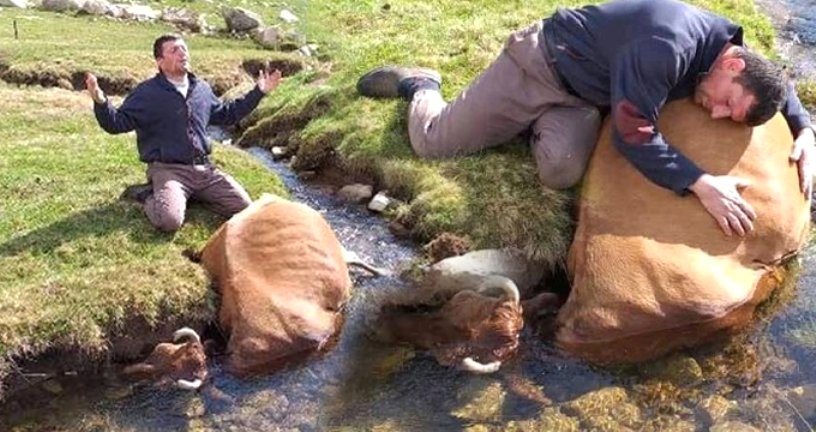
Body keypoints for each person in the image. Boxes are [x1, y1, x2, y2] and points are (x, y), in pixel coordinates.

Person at [357, 0, 815, 237]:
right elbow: (634, 137)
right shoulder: (667, 48)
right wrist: (701, 182)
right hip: (538, 65)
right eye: (725, 103)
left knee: (559, 171)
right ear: (732, 66)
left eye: (726, 116)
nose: (715, 112)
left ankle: (519, 125)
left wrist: (806, 129)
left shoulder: (729, 55)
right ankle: (421, 85)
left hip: (582, 95)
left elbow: (775, 83)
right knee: (433, 143)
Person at [85, 33, 282, 232]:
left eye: (184, 48)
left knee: (244, 208)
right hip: (168, 170)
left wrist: (259, 92)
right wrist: (101, 103)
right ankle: (146, 194)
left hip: (204, 170)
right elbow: (117, 123)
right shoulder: (147, 93)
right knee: (169, 221)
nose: (183, 53)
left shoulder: (202, 88)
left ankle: (189, 195)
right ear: (160, 61)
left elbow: (227, 114)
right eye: (174, 50)